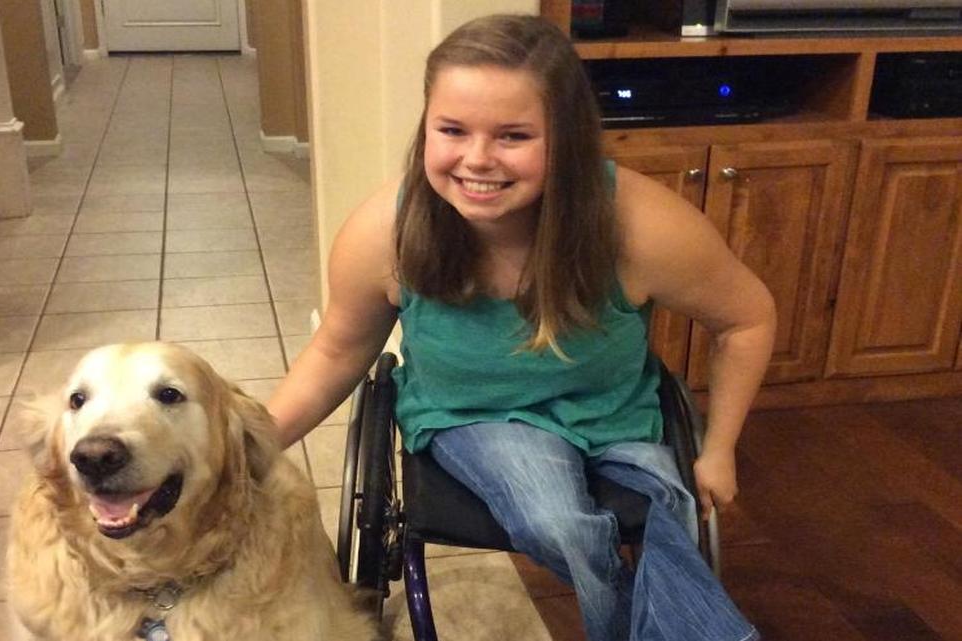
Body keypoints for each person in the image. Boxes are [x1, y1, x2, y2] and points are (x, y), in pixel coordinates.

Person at [267, 13, 774, 641]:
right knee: (559, 521)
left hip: (612, 415)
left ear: (564, 137)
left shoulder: (641, 226)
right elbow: (338, 351)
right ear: (425, 127)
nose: (477, 159)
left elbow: (747, 318)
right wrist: (252, 442)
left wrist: (719, 448)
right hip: (473, 415)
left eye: (513, 136)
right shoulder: (385, 232)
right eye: (451, 129)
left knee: (670, 511)